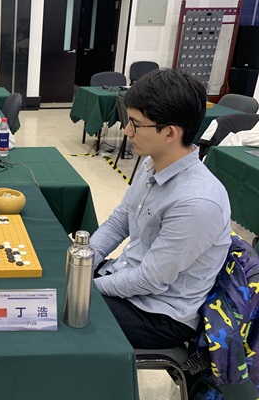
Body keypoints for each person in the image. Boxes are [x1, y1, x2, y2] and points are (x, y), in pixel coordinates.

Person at [90, 69, 231, 349]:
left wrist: (85, 288)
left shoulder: (197, 202)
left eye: (135, 124)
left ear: (170, 132)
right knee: (53, 282)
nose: (127, 131)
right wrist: (84, 262)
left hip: (160, 313)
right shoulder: (151, 164)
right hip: (129, 279)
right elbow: (118, 223)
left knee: (61, 313)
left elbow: (150, 280)